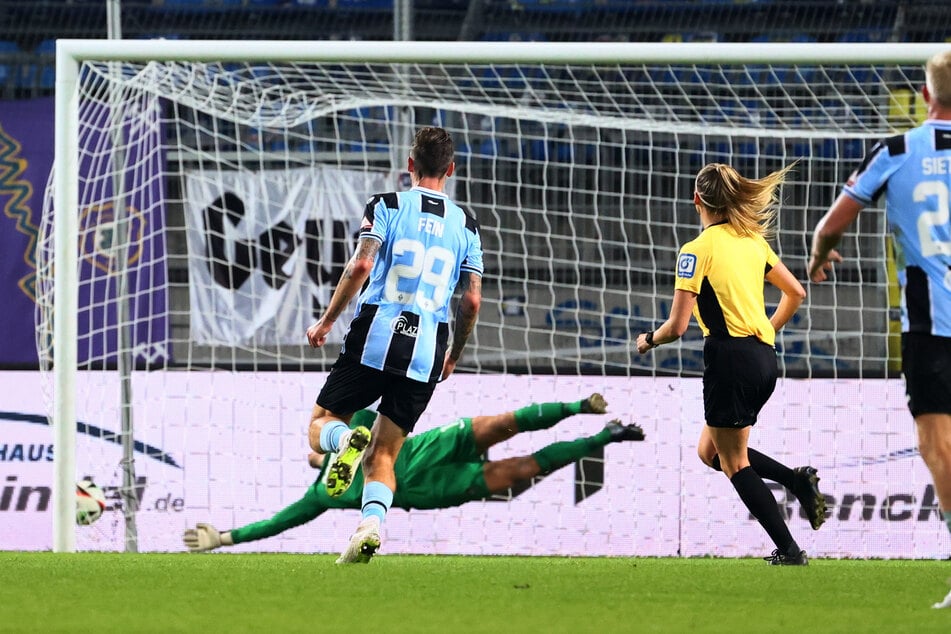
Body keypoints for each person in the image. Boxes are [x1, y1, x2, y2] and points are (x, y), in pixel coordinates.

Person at [808, 49, 951, 604]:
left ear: (924, 96)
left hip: (929, 326)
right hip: (929, 326)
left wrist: (820, 254)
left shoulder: (896, 150)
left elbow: (830, 225)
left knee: (938, 445)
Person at [304, 127, 483, 564]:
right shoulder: (467, 226)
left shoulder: (386, 205)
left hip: (378, 332)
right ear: (452, 169)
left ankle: (345, 439)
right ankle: (370, 528)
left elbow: (363, 262)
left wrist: (327, 320)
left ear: (410, 165)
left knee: (318, 428)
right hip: (427, 348)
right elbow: (472, 300)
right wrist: (454, 353)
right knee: (385, 452)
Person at [636, 162, 825, 566]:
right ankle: (796, 480)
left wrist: (648, 340)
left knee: (734, 462)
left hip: (729, 359)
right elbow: (796, 293)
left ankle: (790, 550)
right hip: (763, 359)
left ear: (697, 200)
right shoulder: (753, 242)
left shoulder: (696, 250)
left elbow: (678, 325)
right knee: (711, 451)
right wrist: (766, 331)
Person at [182, 394, 645, 557]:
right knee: (522, 469)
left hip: (425, 447)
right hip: (431, 489)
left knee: (501, 424)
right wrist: (224, 537)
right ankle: (605, 435)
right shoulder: (321, 494)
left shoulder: (354, 432)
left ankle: (579, 406)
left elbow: (365, 410)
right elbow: (276, 523)